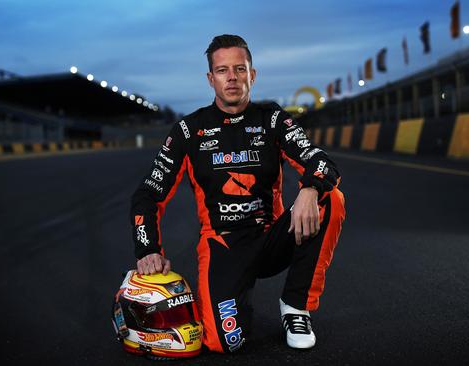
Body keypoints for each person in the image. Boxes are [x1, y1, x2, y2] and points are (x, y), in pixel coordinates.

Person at [130, 34, 345, 353]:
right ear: (210, 78)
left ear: (252, 75)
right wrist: (148, 249)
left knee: (332, 199)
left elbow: (321, 161)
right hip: (223, 245)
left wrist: (310, 188)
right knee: (223, 343)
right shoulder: (188, 131)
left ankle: (296, 307)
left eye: (240, 69)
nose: (232, 77)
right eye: (222, 70)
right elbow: (148, 193)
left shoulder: (273, 119)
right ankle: (235, 299)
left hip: (273, 237)